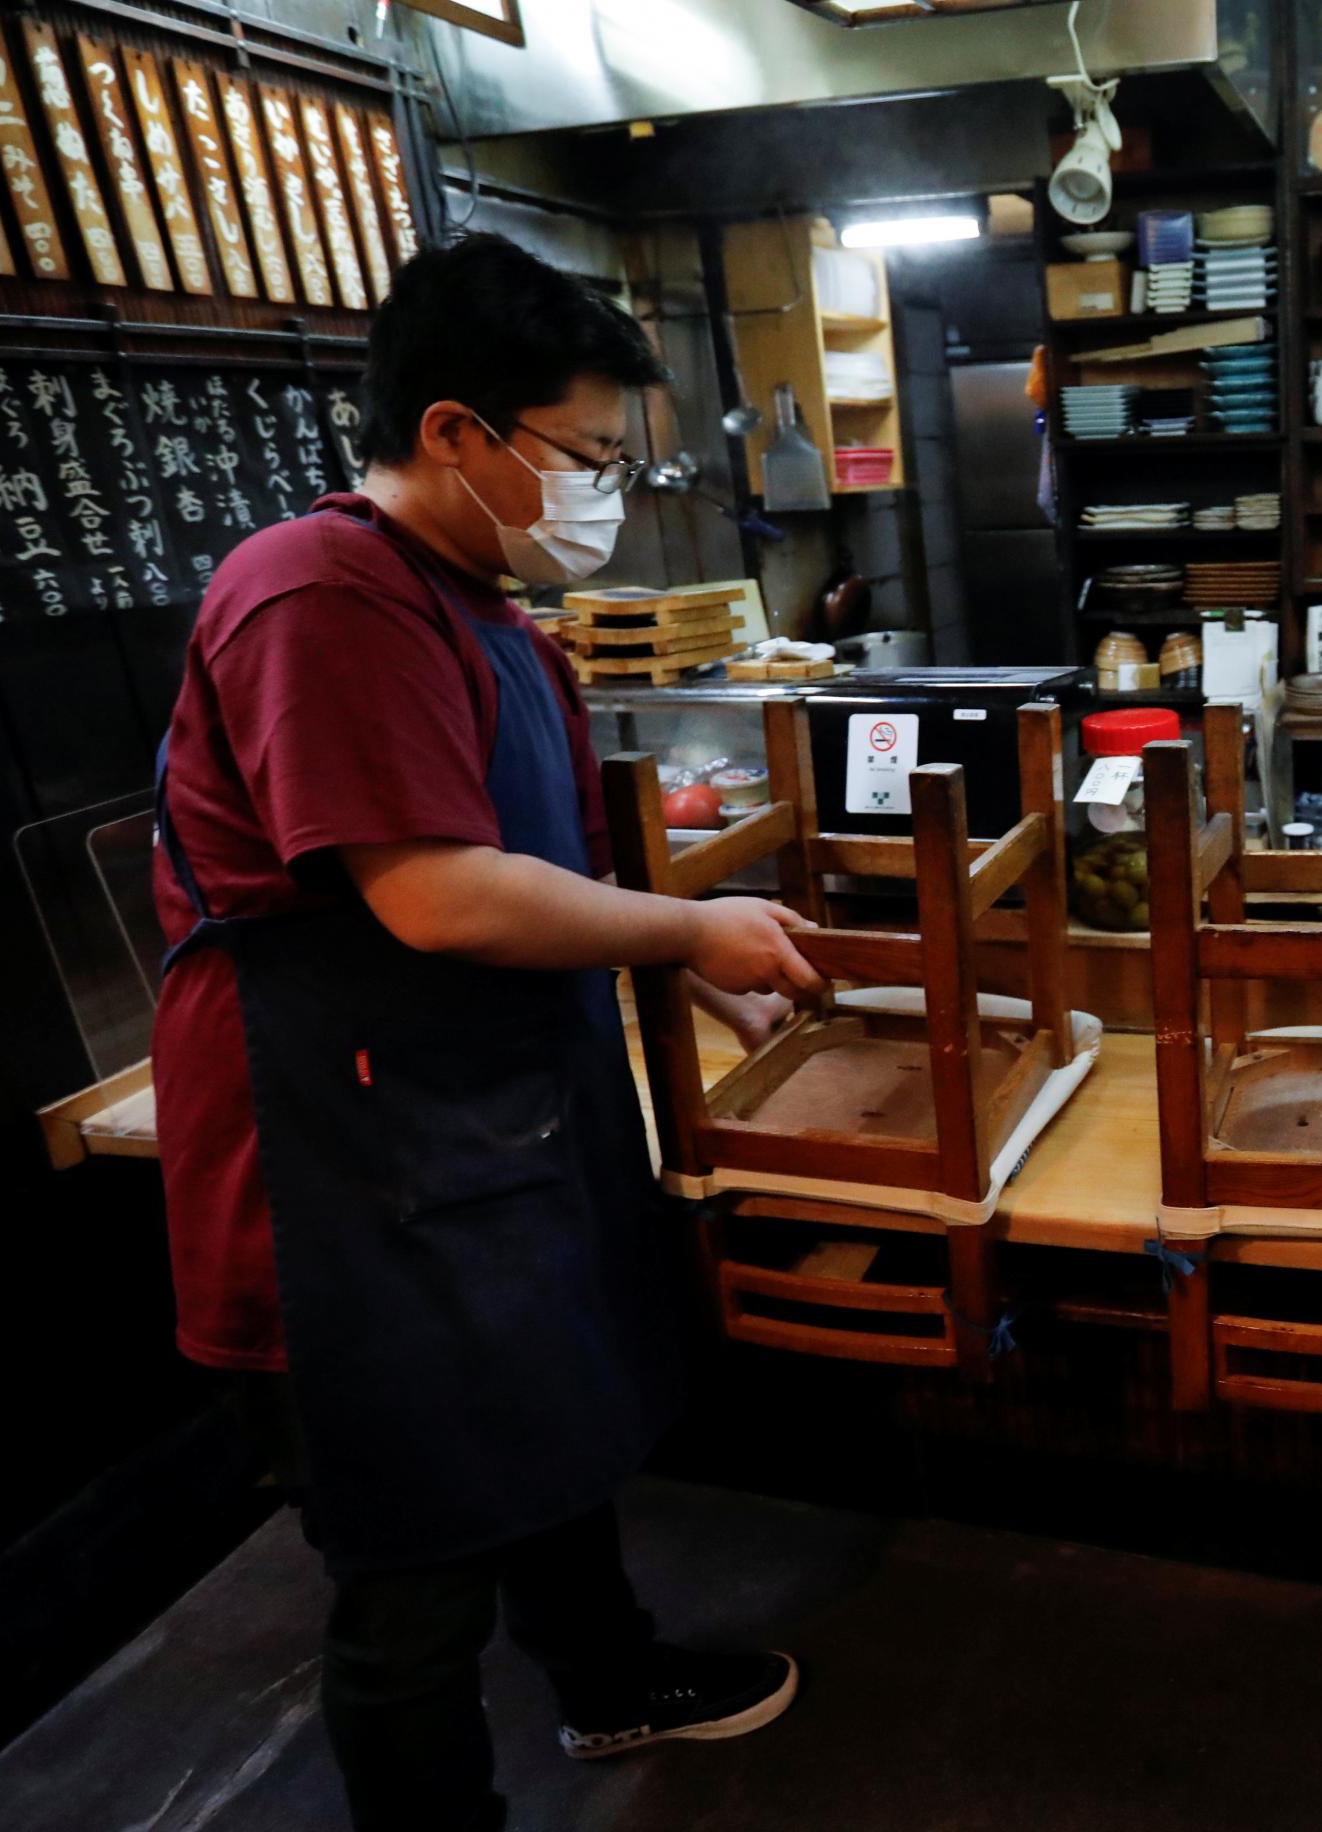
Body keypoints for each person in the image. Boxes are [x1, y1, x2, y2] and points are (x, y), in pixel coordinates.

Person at [149, 234, 826, 1832]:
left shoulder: (483, 610)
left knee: (550, 1424)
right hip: (349, 1170)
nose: (602, 488)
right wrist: (685, 925)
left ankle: (607, 1681)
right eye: (588, 455)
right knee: (416, 1558)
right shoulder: (316, 593)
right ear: (456, 431)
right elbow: (439, 897)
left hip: (486, 1120)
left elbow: (532, 868)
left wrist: (681, 973)